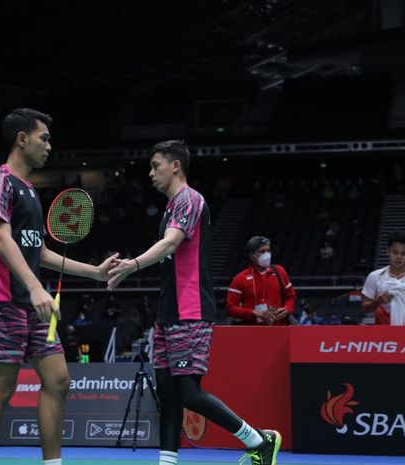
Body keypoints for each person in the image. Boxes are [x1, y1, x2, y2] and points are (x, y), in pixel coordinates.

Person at [107, 140, 281, 465]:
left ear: (175, 166)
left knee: (188, 393)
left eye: (155, 165)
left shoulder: (190, 199)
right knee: (168, 395)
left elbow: (171, 243)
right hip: (167, 313)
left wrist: (132, 264)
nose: (150, 173)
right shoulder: (171, 206)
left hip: (191, 312)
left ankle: (258, 440)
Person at [0, 108, 117, 465]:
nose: (49, 146)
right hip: (0, 300)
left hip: (32, 304)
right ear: (23, 139)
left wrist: (94, 272)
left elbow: (41, 251)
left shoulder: (31, 191)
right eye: (44, 138)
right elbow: (2, 240)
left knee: (58, 380)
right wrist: (37, 288)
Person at [226, 236, 297, 326]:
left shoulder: (280, 271)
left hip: (279, 329)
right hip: (251, 331)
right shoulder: (240, 278)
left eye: (268, 250)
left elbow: (291, 296)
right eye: (262, 251)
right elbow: (231, 308)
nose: (267, 255)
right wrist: (253, 313)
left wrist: (287, 308)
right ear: (252, 256)